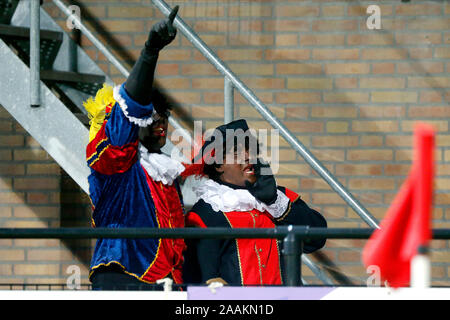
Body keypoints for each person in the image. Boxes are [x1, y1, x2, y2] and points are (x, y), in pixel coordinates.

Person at [84, 7, 187, 290]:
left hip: (164, 285)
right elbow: (130, 109)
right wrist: (150, 52)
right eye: (151, 115)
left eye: (163, 114)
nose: (160, 121)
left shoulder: (166, 173)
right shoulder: (118, 164)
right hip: (123, 277)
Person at [183, 119, 327, 286]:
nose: (247, 156)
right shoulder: (205, 213)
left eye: (250, 150)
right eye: (236, 152)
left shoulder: (279, 196)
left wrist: (274, 201)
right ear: (219, 165)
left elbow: (318, 238)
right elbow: (203, 279)